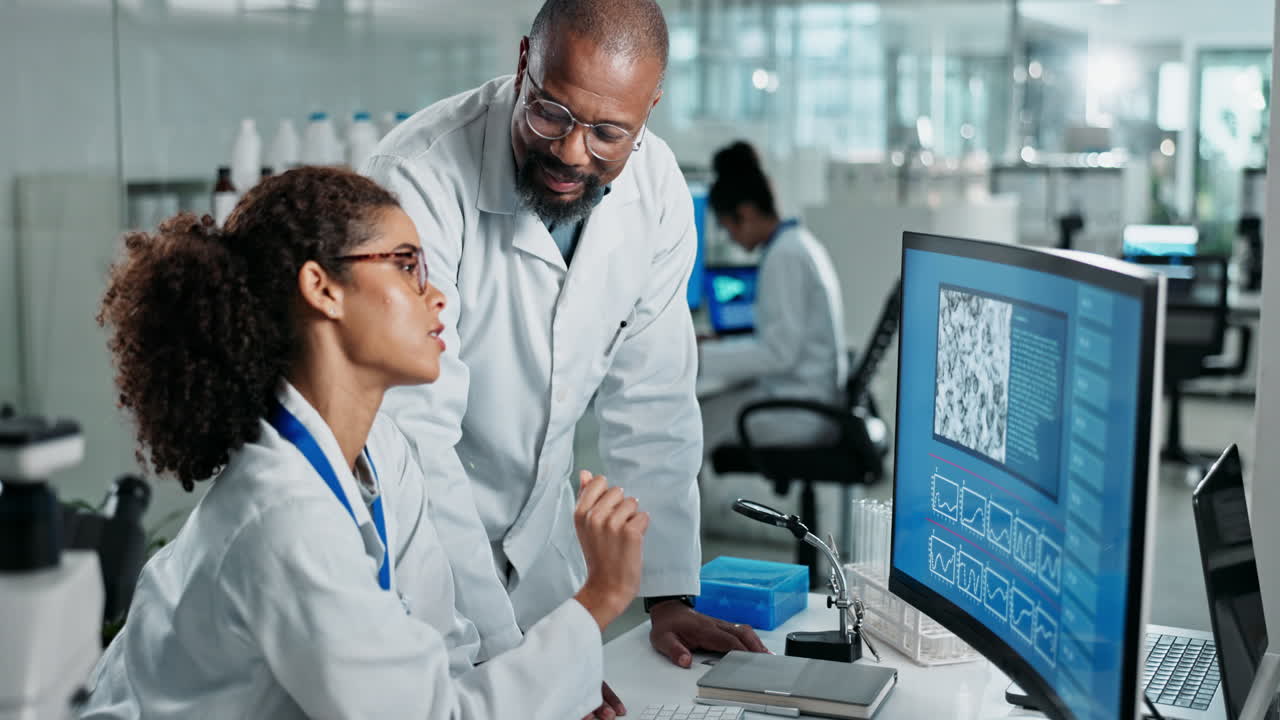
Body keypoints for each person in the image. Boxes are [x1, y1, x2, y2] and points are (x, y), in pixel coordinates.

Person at [80, 166, 648, 719]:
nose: (438, 297)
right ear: (322, 288)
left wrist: (547, 694)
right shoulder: (281, 514)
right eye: (406, 266)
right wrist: (601, 595)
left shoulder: (381, 452)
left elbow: (440, 652)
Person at [363, 1, 767, 710]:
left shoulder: (658, 192)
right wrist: (524, 669)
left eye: (610, 132)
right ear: (524, 64)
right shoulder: (419, 179)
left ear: (651, 108)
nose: (573, 152)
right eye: (551, 114)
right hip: (421, 549)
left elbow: (654, 401)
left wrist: (669, 593)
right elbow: (414, 443)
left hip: (541, 547)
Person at [697, 141, 848, 527]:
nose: (731, 239)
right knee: (702, 412)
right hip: (802, 397)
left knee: (685, 423)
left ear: (745, 214)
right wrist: (723, 347)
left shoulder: (785, 256)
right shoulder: (798, 245)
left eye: (729, 227)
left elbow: (778, 354)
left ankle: (672, 540)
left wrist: (695, 357)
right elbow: (782, 342)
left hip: (798, 411)